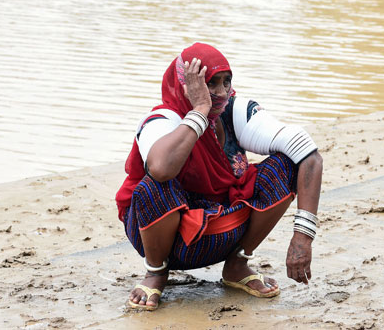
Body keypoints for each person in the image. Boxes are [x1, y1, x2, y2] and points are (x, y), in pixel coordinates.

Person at [115, 43, 323, 311]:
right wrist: (200, 109)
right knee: (152, 186)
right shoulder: (161, 119)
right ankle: (156, 273)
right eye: (210, 84)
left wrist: (303, 237)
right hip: (173, 242)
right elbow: (161, 168)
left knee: (287, 164)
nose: (221, 92)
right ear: (184, 85)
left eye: (226, 82)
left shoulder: (237, 111)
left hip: (225, 230)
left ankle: (237, 265)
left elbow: (310, 155)